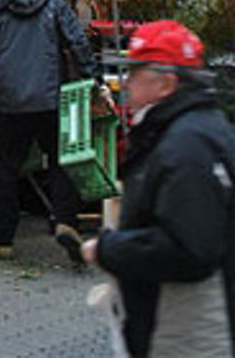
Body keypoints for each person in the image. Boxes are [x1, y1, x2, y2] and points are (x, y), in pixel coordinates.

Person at [82, 19, 235, 357]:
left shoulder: (185, 146)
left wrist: (109, 250)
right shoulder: (193, 131)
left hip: (184, 329)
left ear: (165, 83)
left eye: (135, 74)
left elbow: (188, 249)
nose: (127, 84)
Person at [0, 0, 102, 265]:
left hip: (10, 104)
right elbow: (78, 43)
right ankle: (66, 222)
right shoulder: (55, 5)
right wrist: (93, 80)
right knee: (61, 162)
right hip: (50, 99)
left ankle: (3, 240)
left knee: (6, 169)